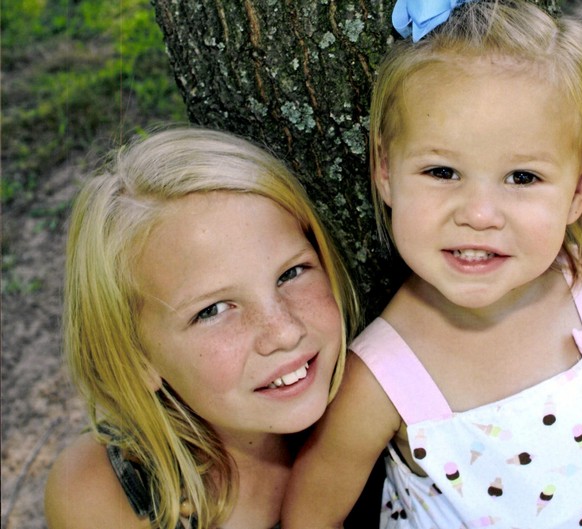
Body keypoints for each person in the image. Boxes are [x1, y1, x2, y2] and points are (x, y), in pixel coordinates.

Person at [282, 1, 582, 528]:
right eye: (442, 172)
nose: (479, 214)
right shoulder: (382, 377)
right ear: (386, 170)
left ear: (580, 189)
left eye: (522, 178)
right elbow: (309, 516)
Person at [44, 126, 359, 529]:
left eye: (291, 273)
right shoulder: (100, 496)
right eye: (213, 310)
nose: (284, 332)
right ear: (136, 357)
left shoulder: (385, 408)